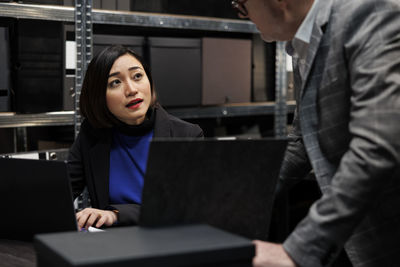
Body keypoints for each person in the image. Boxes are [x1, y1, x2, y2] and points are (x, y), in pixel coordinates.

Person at [231, 0, 400, 266]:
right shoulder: (302, 46)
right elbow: (303, 140)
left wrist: (296, 251)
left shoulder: (369, 13)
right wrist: (242, 194)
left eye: (241, 4)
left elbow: (379, 144)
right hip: (355, 233)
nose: (243, 14)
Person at [67, 45, 204, 230]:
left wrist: (115, 215)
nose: (131, 89)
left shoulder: (187, 135)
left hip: (167, 242)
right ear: (99, 97)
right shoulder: (92, 133)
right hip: (111, 246)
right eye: (115, 82)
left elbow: (182, 208)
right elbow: (61, 193)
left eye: (137, 76)